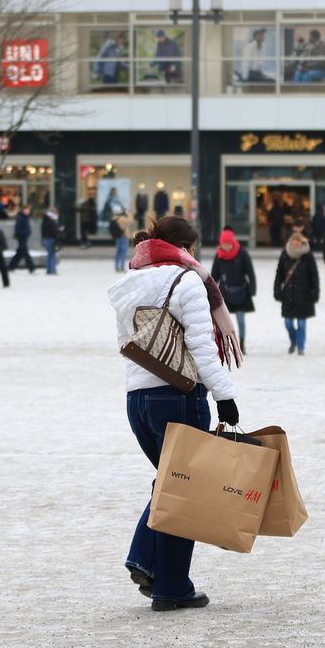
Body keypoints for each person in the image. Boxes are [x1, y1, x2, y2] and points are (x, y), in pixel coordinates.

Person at [107, 215, 241, 612]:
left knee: (171, 484)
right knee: (184, 489)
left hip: (138, 399)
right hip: (179, 396)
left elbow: (128, 342)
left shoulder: (130, 280)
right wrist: (225, 396)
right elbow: (202, 348)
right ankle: (168, 584)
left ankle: (154, 569)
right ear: (185, 248)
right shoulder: (188, 281)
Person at [210, 229, 256, 353]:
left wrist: (252, 290)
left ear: (232, 242)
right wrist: (210, 292)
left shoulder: (243, 254)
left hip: (241, 292)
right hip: (225, 294)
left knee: (240, 320)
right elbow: (214, 276)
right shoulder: (219, 255)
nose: (226, 246)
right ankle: (225, 344)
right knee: (224, 322)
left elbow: (250, 272)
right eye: (224, 244)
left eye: (228, 244)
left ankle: (242, 344)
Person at [274, 232, 319, 355]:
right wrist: (277, 290)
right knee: (288, 323)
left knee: (302, 324)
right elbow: (279, 275)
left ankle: (300, 347)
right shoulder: (285, 255)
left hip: (304, 295)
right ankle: (294, 341)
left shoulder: (308, 256)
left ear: (302, 243)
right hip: (288, 295)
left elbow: (314, 276)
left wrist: (315, 292)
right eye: (294, 244)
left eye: (298, 244)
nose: (296, 246)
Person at [8, 205, 36, 273]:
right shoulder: (20, 218)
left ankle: (11, 266)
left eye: (29, 210)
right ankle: (31, 267)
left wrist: (28, 232)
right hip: (21, 237)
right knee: (25, 252)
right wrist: (24, 233)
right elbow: (17, 228)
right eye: (27, 210)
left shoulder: (25, 217)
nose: (28, 211)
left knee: (20, 253)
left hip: (24, 237)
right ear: (23, 210)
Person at [41, 206, 60, 275]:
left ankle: (49, 270)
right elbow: (53, 230)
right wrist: (58, 230)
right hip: (50, 238)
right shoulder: (51, 220)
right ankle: (52, 270)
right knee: (52, 255)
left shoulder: (46, 219)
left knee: (50, 255)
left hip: (47, 238)